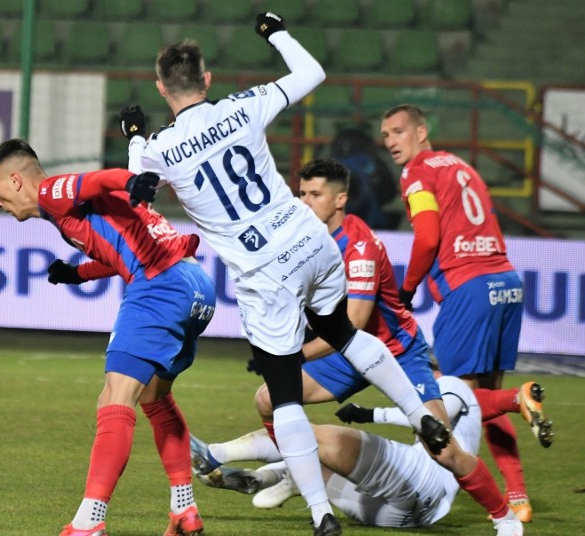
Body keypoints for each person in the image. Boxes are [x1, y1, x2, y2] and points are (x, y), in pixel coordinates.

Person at [120, 12, 451, 536]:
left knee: (284, 396)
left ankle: (321, 514)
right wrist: (276, 32)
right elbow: (312, 72)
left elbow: (137, 185)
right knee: (343, 331)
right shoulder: (243, 105)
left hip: (265, 273)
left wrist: (136, 137)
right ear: (207, 79)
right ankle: (419, 414)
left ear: (163, 88)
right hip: (310, 243)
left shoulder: (160, 147)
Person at [189, 159, 524, 535]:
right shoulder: (305, 238)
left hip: (394, 352)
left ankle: (504, 518)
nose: (305, 201)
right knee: (268, 399)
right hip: (346, 356)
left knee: (442, 447)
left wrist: (293, 355)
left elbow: (355, 324)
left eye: (315, 194)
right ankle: (302, 470)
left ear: (340, 199)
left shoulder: (359, 246)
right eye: (301, 193)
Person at [0, 139, 216, 536]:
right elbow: (119, 252)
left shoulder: (52, 193)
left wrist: (131, 179)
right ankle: (184, 509)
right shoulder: (67, 215)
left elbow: (97, 181)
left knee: (113, 399)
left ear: (16, 180)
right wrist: (78, 274)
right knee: (155, 398)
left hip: (160, 285)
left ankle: (90, 521)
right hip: (196, 286)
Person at [380, 104, 551, 522]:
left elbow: (427, 238)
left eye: (398, 131)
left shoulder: (417, 172)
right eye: (385, 135)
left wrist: (405, 289)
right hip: (506, 284)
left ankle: (517, 400)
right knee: (481, 401)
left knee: (461, 397)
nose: (390, 142)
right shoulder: (462, 166)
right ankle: (518, 497)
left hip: (468, 288)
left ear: (422, 132)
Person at [192, 364, 483, 529]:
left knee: (300, 432)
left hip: (421, 479)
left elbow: (432, 419)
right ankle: (265, 478)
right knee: (313, 459)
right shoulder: (470, 404)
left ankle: (218, 452)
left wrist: (370, 414)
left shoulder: (451, 383)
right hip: (408, 518)